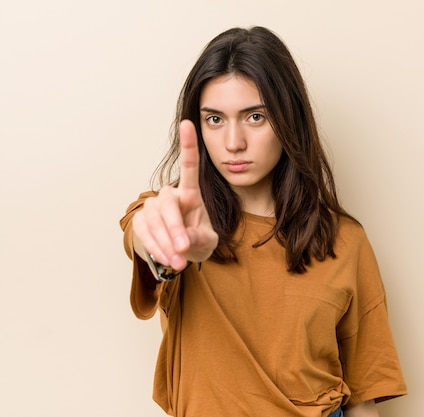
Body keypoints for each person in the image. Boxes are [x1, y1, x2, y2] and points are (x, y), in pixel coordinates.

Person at [119, 26, 407, 417]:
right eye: (215, 119)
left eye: (255, 116)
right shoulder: (174, 218)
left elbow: (363, 395)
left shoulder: (346, 241)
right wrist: (170, 249)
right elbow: (145, 235)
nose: (233, 142)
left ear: (289, 121)